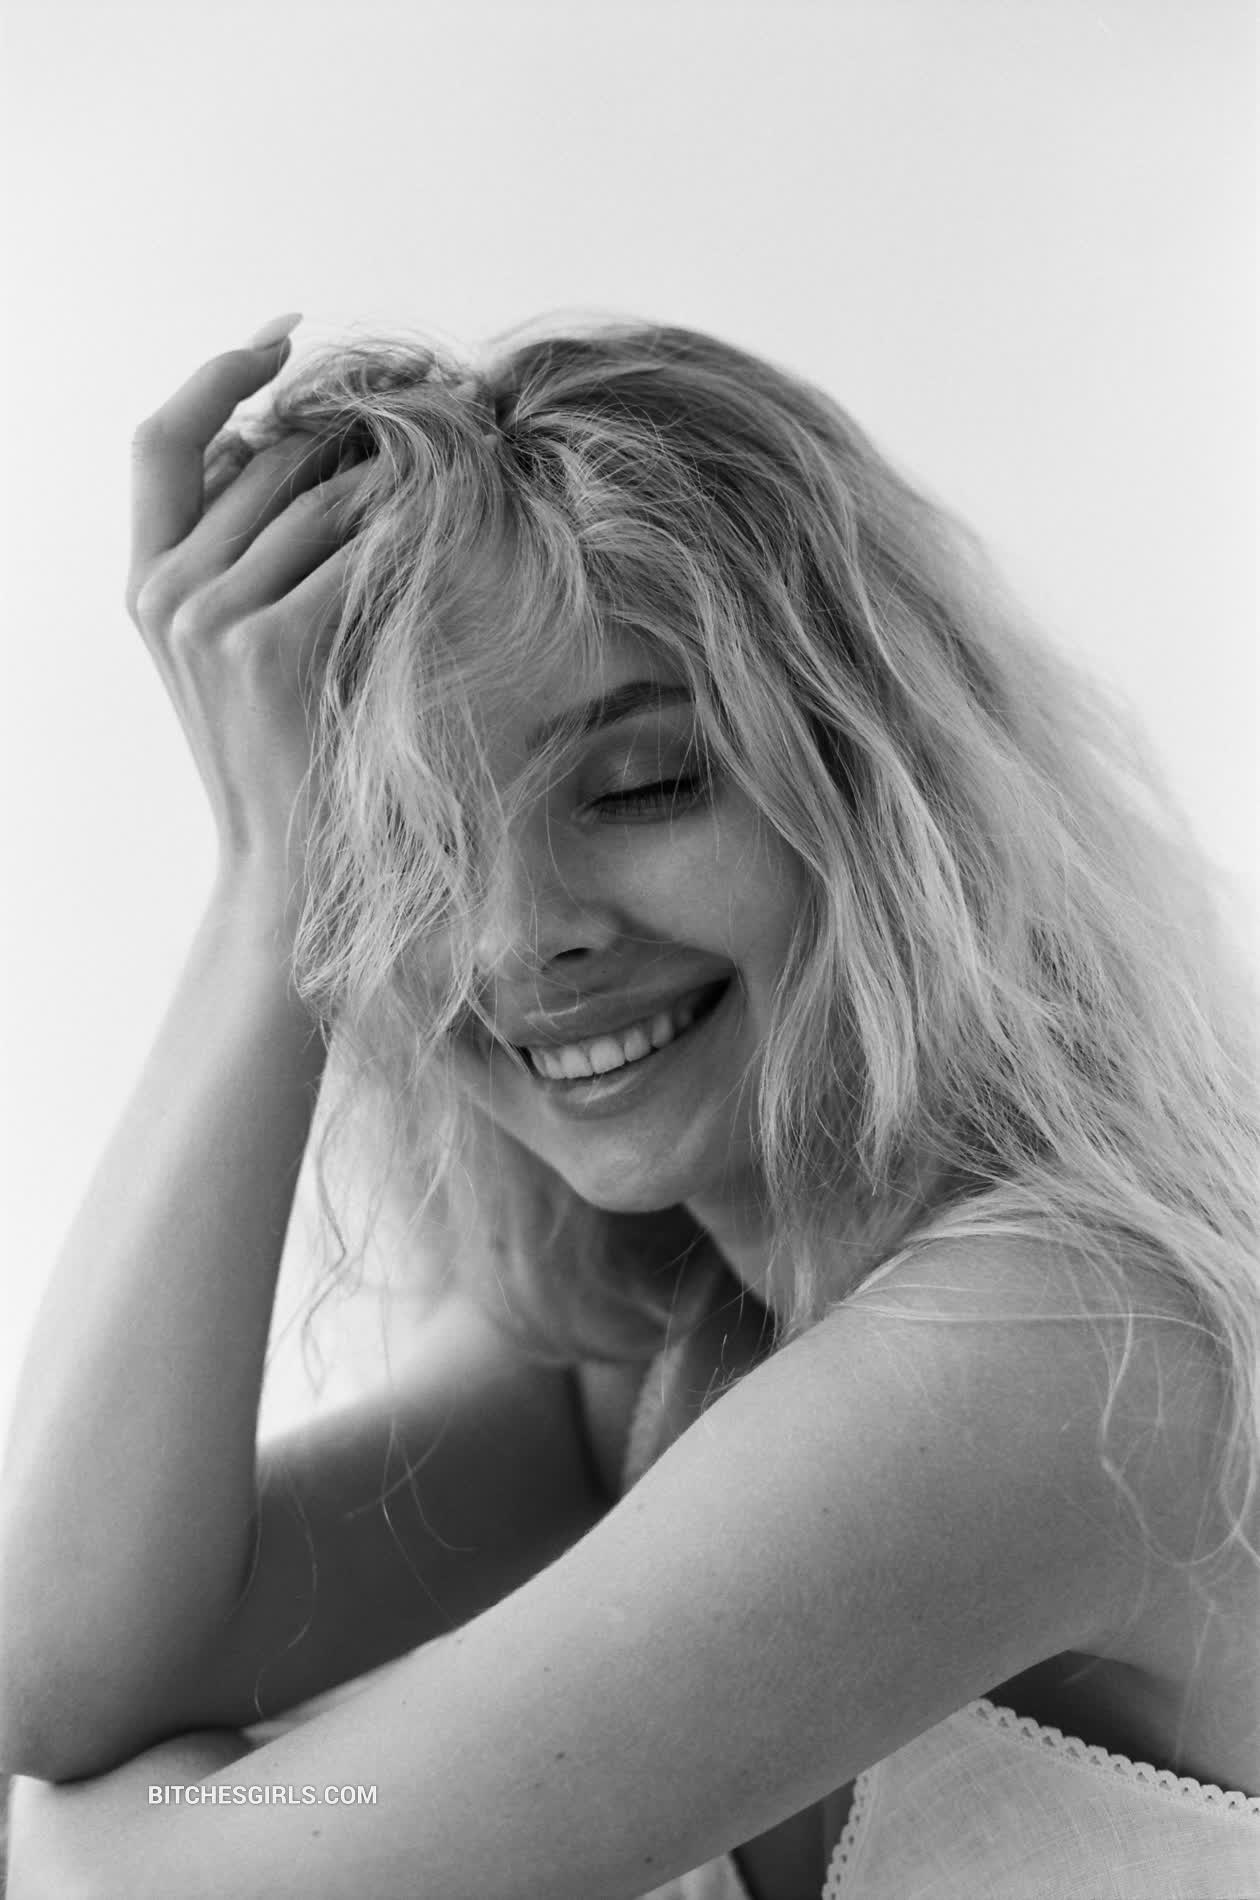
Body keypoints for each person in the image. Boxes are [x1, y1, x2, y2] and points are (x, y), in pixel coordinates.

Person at [3, 309, 1258, 1900]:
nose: (517, 937)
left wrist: (97, 1827)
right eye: (399, 848)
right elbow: (52, 1676)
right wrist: (268, 883)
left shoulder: (1052, 1349)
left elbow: (159, 1871)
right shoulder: (662, 1324)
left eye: (643, 784)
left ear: (888, 781)